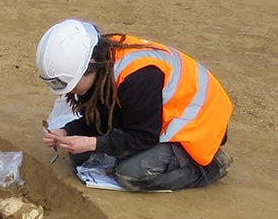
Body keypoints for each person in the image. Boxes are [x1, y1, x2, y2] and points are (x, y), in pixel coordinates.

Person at [36, 19, 233, 191]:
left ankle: (209, 169)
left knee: (130, 174)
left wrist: (94, 142)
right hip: (157, 118)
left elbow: (144, 135)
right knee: (81, 155)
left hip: (196, 128)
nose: (69, 92)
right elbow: (103, 116)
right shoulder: (103, 67)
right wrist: (66, 132)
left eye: (71, 84)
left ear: (91, 65)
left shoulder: (137, 77)